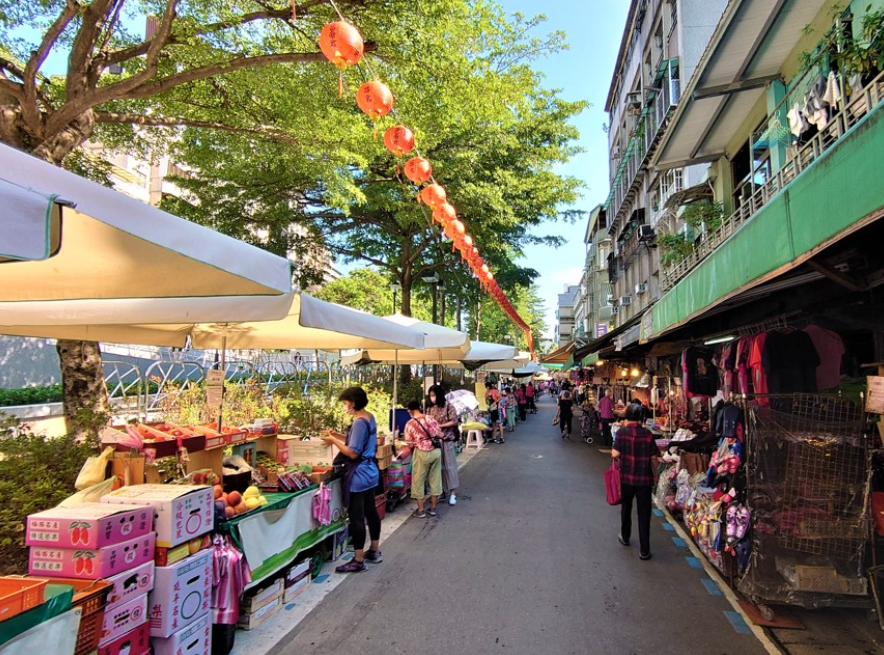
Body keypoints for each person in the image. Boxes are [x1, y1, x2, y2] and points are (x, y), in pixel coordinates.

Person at [321, 386, 382, 573]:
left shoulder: (358, 423)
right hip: (371, 471)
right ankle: (374, 550)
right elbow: (356, 440)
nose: (345, 406)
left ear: (353, 402)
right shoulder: (368, 417)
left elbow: (353, 452)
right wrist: (337, 435)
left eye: (346, 403)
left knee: (357, 516)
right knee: (371, 511)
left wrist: (333, 441)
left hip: (359, 474)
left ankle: (358, 559)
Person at [612, 402, 661, 560]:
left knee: (626, 508)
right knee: (644, 513)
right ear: (641, 418)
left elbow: (614, 454)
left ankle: (625, 537)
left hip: (626, 478)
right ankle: (644, 550)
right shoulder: (647, 434)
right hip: (644, 479)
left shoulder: (621, 432)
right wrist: (655, 475)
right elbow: (654, 458)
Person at [402, 400, 443, 518]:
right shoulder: (430, 418)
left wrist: (413, 452)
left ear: (410, 410)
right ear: (419, 408)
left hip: (421, 453)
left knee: (418, 480)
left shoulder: (409, 424)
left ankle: (420, 510)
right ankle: (433, 508)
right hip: (435, 452)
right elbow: (439, 433)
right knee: (435, 479)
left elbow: (410, 444)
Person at [426, 385, 460, 506]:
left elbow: (454, 421)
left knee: (449, 466)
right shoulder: (430, 408)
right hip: (435, 442)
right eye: (430, 395)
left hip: (447, 439)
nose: (432, 398)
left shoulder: (449, 406)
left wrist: (440, 426)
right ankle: (442, 492)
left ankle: (453, 493)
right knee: (437, 468)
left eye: (433, 395)